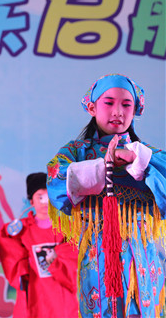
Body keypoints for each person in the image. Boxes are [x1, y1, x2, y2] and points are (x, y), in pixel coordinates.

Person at [46, 74, 166, 318]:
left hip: (143, 256)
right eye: (109, 103)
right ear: (92, 108)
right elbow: (56, 180)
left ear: (135, 110)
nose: (118, 112)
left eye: (126, 104)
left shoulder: (149, 154)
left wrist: (139, 161)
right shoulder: (76, 152)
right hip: (98, 253)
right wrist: (104, 165)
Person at [0, 172, 78, 318]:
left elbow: (73, 259)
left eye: (48, 197)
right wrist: (26, 263)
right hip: (34, 295)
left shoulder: (67, 229)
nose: (45, 202)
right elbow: (11, 257)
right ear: (31, 201)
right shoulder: (19, 231)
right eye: (40, 197)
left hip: (62, 298)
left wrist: (57, 258)